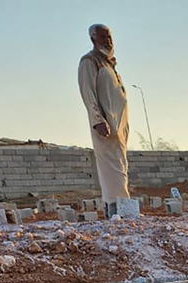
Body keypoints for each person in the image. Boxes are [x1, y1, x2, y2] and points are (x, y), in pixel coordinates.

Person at [78, 24, 130, 217]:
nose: (108, 41)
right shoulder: (90, 61)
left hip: (119, 127)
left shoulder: (109, 64)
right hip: (104, 125)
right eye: (103, 37)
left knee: (120, 165)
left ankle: (123, 207)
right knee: (110, 167)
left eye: (109, 37)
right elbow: (88, 93)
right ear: (93, 39)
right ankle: (116, 209)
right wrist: (97, 119)